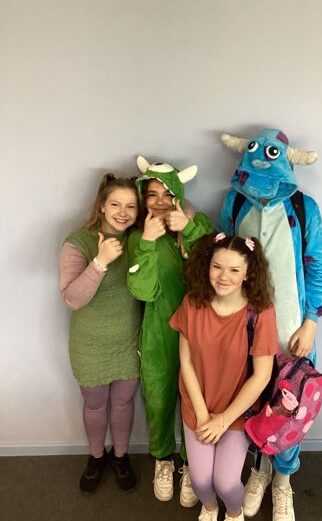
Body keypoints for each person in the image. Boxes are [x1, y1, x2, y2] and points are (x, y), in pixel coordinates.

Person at [218, 129, 322, 521]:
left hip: (290, 331)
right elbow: (222, 257)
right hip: (243, 331)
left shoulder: (304, 207)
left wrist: (311, 322)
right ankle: (259, 469)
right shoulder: (234, 202)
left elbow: (318, 267)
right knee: (251, 401)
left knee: (289, 405)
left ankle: (283, 480)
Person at [170, 232, 279, 521]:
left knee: (226, 483)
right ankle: (209, 509)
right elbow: (186, 361)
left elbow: (262, 376)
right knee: (201, 482)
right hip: (199, 405)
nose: (223, 276)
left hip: (237, 411)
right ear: (207, 266)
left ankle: (233, 513)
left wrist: (223, 420)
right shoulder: (193, 303)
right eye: (217, 267)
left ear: (248, 274)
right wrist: (202, 414)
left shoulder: (260, 312)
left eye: (233, 270)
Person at [127, 158, 213, 505]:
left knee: (197, 400)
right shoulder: (138, 237)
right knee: (160, 400)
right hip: (159, 333)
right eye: (152, 195)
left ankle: (192, 464)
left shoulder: (199, 223)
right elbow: (142, 291)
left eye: (167, 194)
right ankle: (163, 459)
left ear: (178, 194)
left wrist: (188, 230)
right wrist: (148, 243)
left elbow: (216, 270)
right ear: (143, 199)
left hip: (200, 334)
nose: (160, 202)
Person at [60, 173, 142, 494]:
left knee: (123, 402)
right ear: (102, 206)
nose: (123, 212)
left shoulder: (139, 240)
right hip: (90, 344)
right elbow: (72, 298)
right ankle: (96, 457)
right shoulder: (78, 241)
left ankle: (120, 457)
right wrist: (100, 262)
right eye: (116, 204)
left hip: (129, 341)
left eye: (131, 206)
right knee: (95, 405)